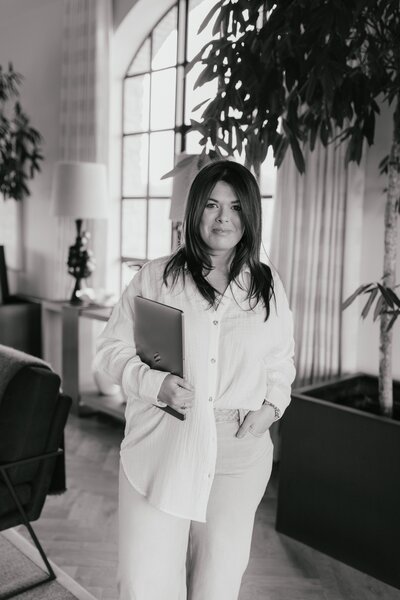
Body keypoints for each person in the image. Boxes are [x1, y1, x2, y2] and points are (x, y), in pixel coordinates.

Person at [94, 160, 295, 600]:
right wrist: (152, 384)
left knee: (216, 584)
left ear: (250, 217)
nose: (224, 217)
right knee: (145, 582)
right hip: (165, 437)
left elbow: (282, 362)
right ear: (193, 212)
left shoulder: (268, 286)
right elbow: (110, 349)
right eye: (211, 205)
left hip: (237, 448)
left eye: (236, 207)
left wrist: (271, 408)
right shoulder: (156, 276)